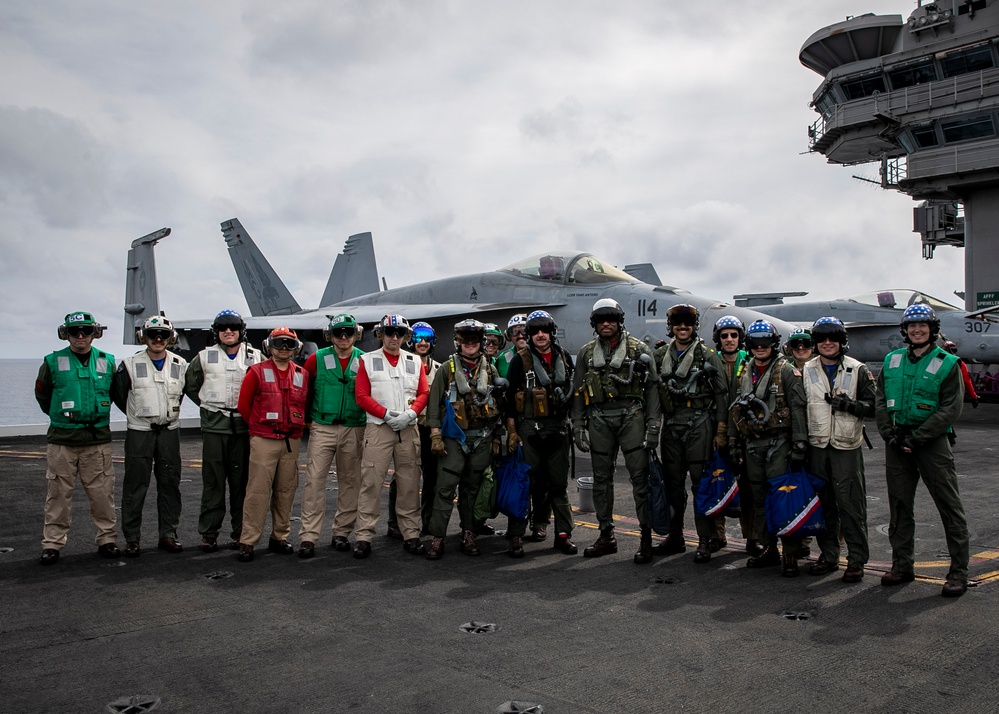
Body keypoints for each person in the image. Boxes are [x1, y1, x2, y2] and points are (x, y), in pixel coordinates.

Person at [875, 305, 969, 597]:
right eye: (912, 325)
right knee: (900, 506)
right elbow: (880, 399)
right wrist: (888, 434)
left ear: (932, 328)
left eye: (923, 325)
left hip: (931, 444)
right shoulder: (892, 360)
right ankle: (902, 565)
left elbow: (951, 407)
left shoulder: (947, 363)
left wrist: (918, 437)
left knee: (949, 506)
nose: (917, 330)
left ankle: (958, 572)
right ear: (905, 330)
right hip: (896, 442)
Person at [570, 299, 661, 563]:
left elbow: (653, 388)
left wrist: (654, 426)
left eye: (611, 319)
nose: (606, 323)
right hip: (599, 419)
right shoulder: (587, 354)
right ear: (594, 323)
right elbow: (577, 392)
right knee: (601, 480)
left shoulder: (638, 350)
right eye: (601, 319)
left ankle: (645, 536)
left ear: (620, 321)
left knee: (640, 479)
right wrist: (577, 426)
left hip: (631, 416)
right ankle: (606, 534)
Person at [34, 311, 121, 565]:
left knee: (103, 493)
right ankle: (52, 543)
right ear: (66, 334)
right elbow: (43, 396)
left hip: (97, 441)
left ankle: (107, 539)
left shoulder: (108, 361)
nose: (80, 335)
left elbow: (117, 393)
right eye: (75, 331)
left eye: (85, 330)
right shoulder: (51, 362)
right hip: (63, 441)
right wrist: (63, 418)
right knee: (58, 494)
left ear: (95, 332)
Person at [727, 319, 808, 577]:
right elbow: (736, 409)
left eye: (765, 341)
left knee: (783, 498)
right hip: (752, 444)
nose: (760, 346)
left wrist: (799, 445)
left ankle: (791, 553)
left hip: (779, 444)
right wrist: (733, 443)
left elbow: (797, 409)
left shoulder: (786, 371)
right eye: (755, 342)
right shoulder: (745, 372)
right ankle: (769, 548)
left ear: (773, 344)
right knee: (760, 500)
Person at [802, 317, 875, 583]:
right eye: (821, 338)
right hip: (817, 446)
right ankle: (829, 555)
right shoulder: (804, 370)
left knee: (851, 505)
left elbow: (874, 406)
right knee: (824, 505)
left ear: (841, 340)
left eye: (832, 337)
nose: (827, 343)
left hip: (847, 447)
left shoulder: (858, 369)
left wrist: (851, 405)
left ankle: (856, 560)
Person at [183, 309, 262, 552]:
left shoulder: (255, 356)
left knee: (242, 484)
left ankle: (241, 533)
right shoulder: (204, 357)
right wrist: (209, 407)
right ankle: (209, 533)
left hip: (242, 427)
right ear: (216, 332)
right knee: (213, 483)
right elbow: (191, 386)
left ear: (241, 330)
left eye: (233, 327)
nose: (228, 331)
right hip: (215, 427)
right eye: (223, 327)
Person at [653, 304, 727, 563]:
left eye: (686, 324)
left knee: (700, 485)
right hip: (672, 426)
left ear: (694, 327)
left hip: (699, 425)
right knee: (673, 486)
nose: (682, 328)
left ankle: (705, 540)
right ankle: (675, 537)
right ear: (670, 326)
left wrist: (720, 429)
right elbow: (652, 392)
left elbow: (721, 393)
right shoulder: (660, 354)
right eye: (677, 324)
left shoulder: (707, 355)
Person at [425, 319, 504, 559]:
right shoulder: (446, 369)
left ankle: (469, 533)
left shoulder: (490, 370)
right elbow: (434, 406)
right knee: (445, 489)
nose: (469, 344)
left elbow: (500, 405)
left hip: (481, 438)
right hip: (453, 439)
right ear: (458, 342)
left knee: (472, 489)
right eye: (465, 340)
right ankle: (437, 538)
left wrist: (498, 438)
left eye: (474, 340)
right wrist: (435, 435)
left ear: (481, 343)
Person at [353, 315, 430, 559]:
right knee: (371, 483)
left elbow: (423, 392)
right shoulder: (367, 360)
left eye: (398, 332)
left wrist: (410, 414)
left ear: (406, 336)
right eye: (389, 332)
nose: (394, 337)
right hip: (379, 428)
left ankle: (411, 534)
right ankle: (364, 536)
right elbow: (362, 396)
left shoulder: (415, 361)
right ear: (380, 334)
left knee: (409, 483)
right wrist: (386, 415)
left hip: (407, 428)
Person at [111, 315, 188, 557]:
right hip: (140, 433)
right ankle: (132, 538)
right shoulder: (129, 364)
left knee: (170, 484)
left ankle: (168, 534)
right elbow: (119, 394)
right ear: (143, 337)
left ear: (170, 338)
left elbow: (182, 394)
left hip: (169, 432)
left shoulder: (180, 364)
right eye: (153, 334)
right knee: (135, 485)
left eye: (163, 334)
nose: (158, 338)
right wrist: (138, 415)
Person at [504, 310, 577, 557]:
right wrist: (513, 431)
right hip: (530, 431)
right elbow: (510, 401)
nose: (540, 335)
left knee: (557, 486)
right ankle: (515, 535)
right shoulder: (520, 361)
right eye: (534, 331)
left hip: (557, 431)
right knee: (525, 484)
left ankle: (563, 535)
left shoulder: (565, 358)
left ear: (551, 331)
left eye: (544, 329)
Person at [236, 327, 309, 562]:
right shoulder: (256, 372)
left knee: (286, 491)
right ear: (270, 346)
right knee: (257, 491)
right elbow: (244, 405)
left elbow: (306, 405)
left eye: (289, 344)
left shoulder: (301, 374)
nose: (284, 349)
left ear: (295, 347)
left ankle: (279, 536)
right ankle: (248, 540)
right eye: (279, 344)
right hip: (264, 439)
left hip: (291, 441)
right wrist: (260, 427)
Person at [298, 314, 366, 558]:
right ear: (330, 335)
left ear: (356, 333)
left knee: (351, 482)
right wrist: (305, 421)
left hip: (354, 427)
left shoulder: (365, 361)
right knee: (314, 481)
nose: (344, 337)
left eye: (348, 331)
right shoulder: (317, 359)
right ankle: (308, 536)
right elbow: (303, 390)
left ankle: (342, 533)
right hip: (322, 427)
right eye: (339, 333)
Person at [712, 315, 759, 555]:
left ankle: (752, 537)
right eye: (724, 335)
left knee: (748, 487)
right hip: (716, 431)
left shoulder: (750, 361)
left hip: (744, 431)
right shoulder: (710, 362)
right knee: (717, 482)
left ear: (740, 338)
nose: (729, 339)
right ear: (718, 339)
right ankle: (716, 536)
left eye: (733, 335)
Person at [942, 340, 980, 408]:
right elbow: (966, 381)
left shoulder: (935, 361)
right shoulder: (959, 363)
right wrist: (973, 397)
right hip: (953, 394)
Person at [495, 314, 528, 379]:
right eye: (515, 332)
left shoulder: (541, 353)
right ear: (508, 336)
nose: (520, 336)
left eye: (524, 331)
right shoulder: (503, 358)